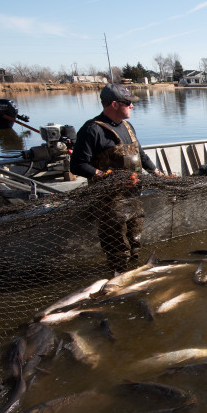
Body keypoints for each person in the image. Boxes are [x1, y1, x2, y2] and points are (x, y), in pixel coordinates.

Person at [71, 83, 164, 273]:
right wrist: (104, 176)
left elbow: (141, 155)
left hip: (133, 197)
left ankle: (134, 274)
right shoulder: (92, 130)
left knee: (135, 243)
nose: (132, 106)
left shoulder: (128, 127)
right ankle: (117, 280)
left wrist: (157, 173)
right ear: (114, 104)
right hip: (110, 204)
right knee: (117, 249)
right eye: (128, 102)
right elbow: (77, 165)